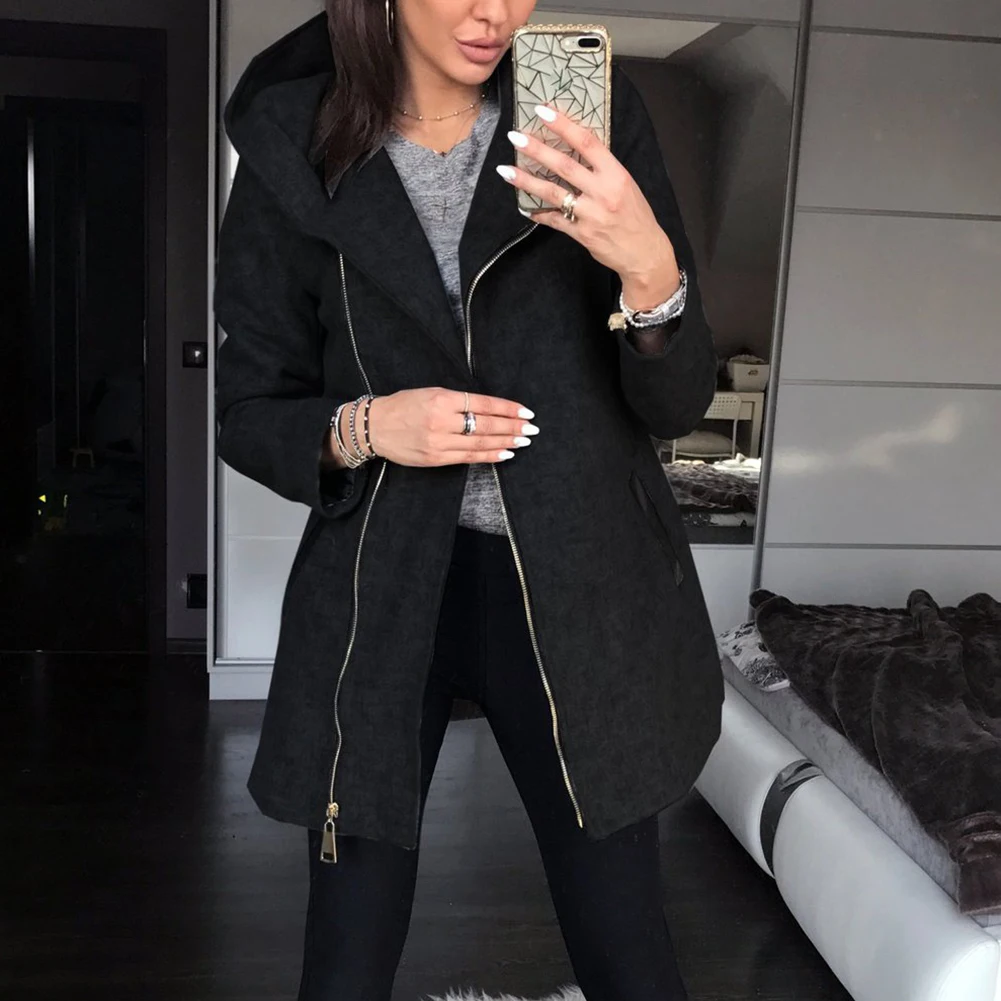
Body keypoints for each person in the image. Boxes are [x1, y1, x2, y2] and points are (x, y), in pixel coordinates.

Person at [214, 2, 724, 999]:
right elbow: (248, 409)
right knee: (345, 957)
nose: (497, 11)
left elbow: (674, 403)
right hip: (381, 589)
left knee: (626, 947)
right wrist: (371, 426)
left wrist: (649, 268)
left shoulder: (590, 116)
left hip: (579, 591)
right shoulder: (292, 141)